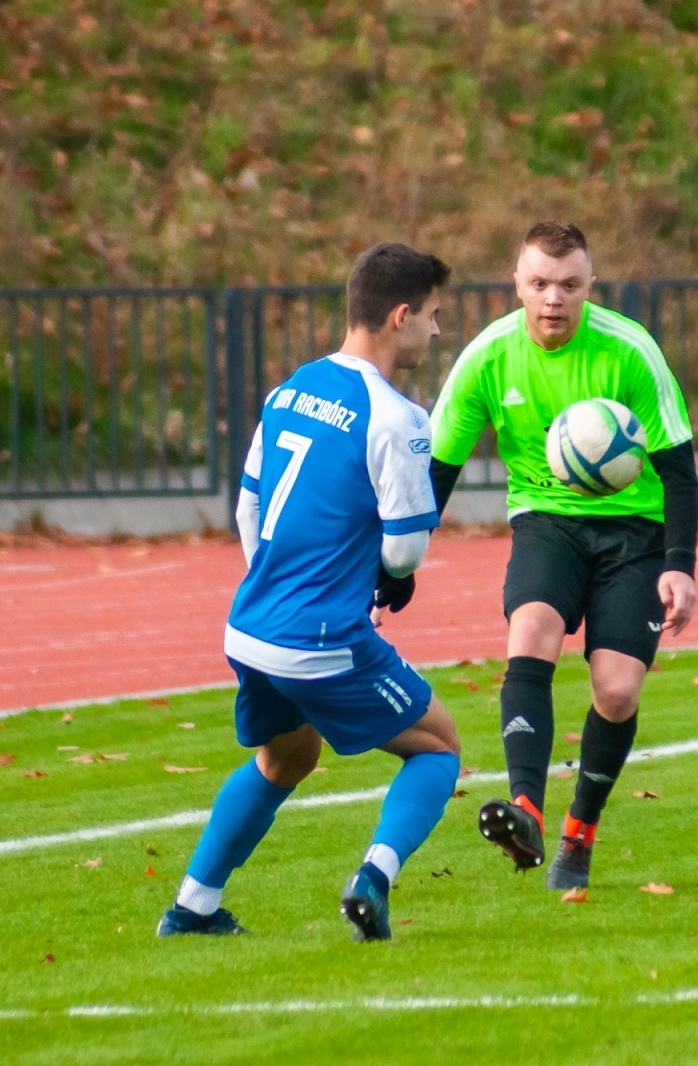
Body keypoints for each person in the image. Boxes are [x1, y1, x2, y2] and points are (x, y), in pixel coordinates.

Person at [158, 243, 459, 942]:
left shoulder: (291, 389)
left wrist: (278, 578)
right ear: (401, 315)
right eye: (435, 317)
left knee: (286, 757)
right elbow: (406, 550)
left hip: (251, 624)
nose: (438, 332)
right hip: (321, 639)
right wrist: (389, 580)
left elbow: (248, 510)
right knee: (440, 747)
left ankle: (192, 907)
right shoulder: (399, 418)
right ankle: (372, 880)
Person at [427, 221, 698, 891]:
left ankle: (578, 835)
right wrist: (396, 563)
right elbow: (436, 471)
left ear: (590, 287)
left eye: (570, 285)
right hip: (546, 523)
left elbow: (680, 470)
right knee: (532, 634)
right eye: (540, 283)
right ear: (517, 285)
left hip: (634, 534)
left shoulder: (629, 351)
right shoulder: (489, 357)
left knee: (616, 690)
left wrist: (679, 563)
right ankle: (525, 810)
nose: (554, 299)